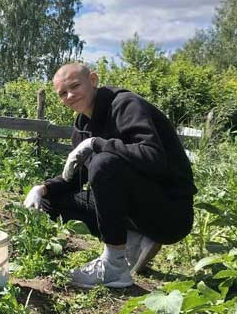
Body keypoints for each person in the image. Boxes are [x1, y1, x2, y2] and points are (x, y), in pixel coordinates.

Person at [25, 63, 196, 288]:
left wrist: (98, 144)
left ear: (93, 80)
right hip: (136, 209)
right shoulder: (82, 127)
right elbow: (77, 178)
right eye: (62, 93)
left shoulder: (125, 105)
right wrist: (42, 188)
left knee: (104, 163)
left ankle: (114, 265)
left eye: (75, 86)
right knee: (51, 199)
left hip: (170, 212)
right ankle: (133, 241)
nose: (70, 95)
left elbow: (153, 157)